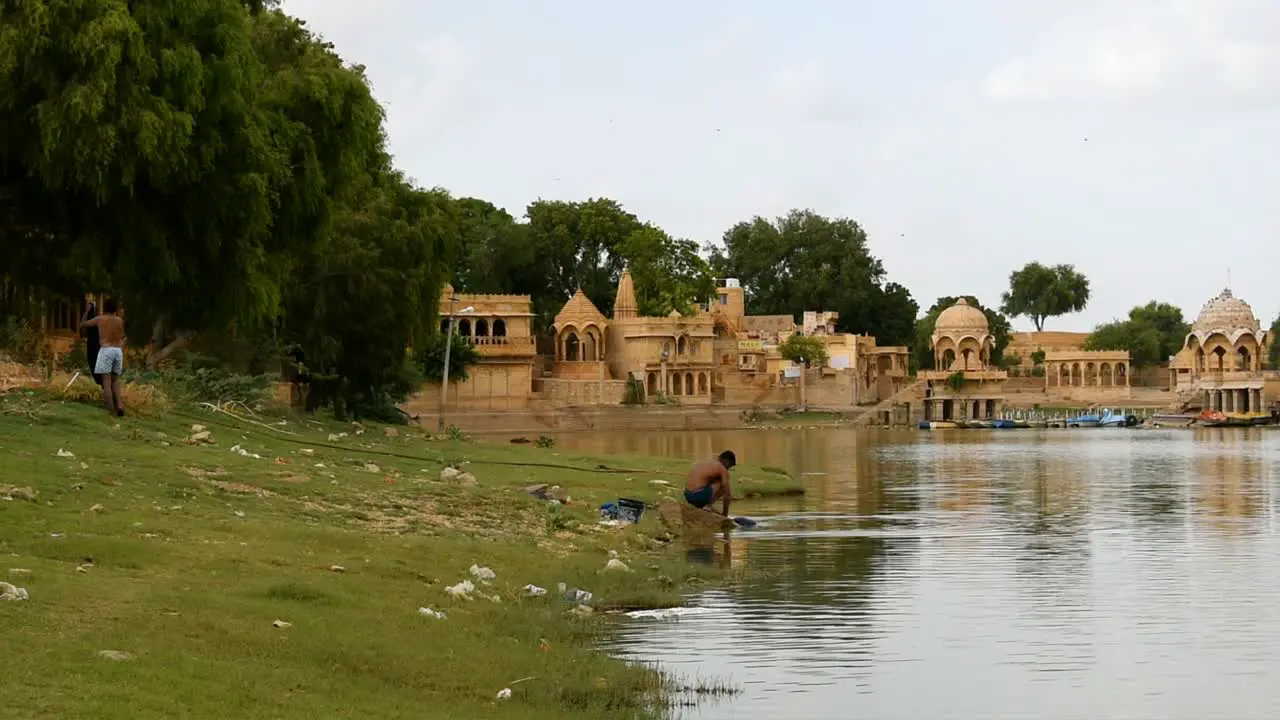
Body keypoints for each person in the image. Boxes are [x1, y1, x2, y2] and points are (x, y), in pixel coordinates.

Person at [78, 299, 125, 416]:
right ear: (116, 309)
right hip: (118, 351)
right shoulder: (120, 321)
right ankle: (120, 406)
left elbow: (82, 324)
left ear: (105, 308)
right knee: (115, 381)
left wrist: (87, 311)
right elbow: (124, 336)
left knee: (106, 382)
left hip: (106, 350)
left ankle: (110, 410)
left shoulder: (100, 319)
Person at [684, 450, 736, 516]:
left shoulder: (707, 462)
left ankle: (702, 505)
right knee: (723, 485)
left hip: (688, 495)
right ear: (727, 461)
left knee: (715, 481)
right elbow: (727, 495)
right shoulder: (722, 468)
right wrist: (725, 515)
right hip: (698, 496)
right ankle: (708, 506)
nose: (728, 469)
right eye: (730, 466)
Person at [82, 300, 103, 387]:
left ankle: (103, 385)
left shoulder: (97, 319)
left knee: (97, 365)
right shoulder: (88, 320)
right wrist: (86, 312)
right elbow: (82, 327)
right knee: (92, 365)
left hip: (97, 346)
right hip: (91, 345)